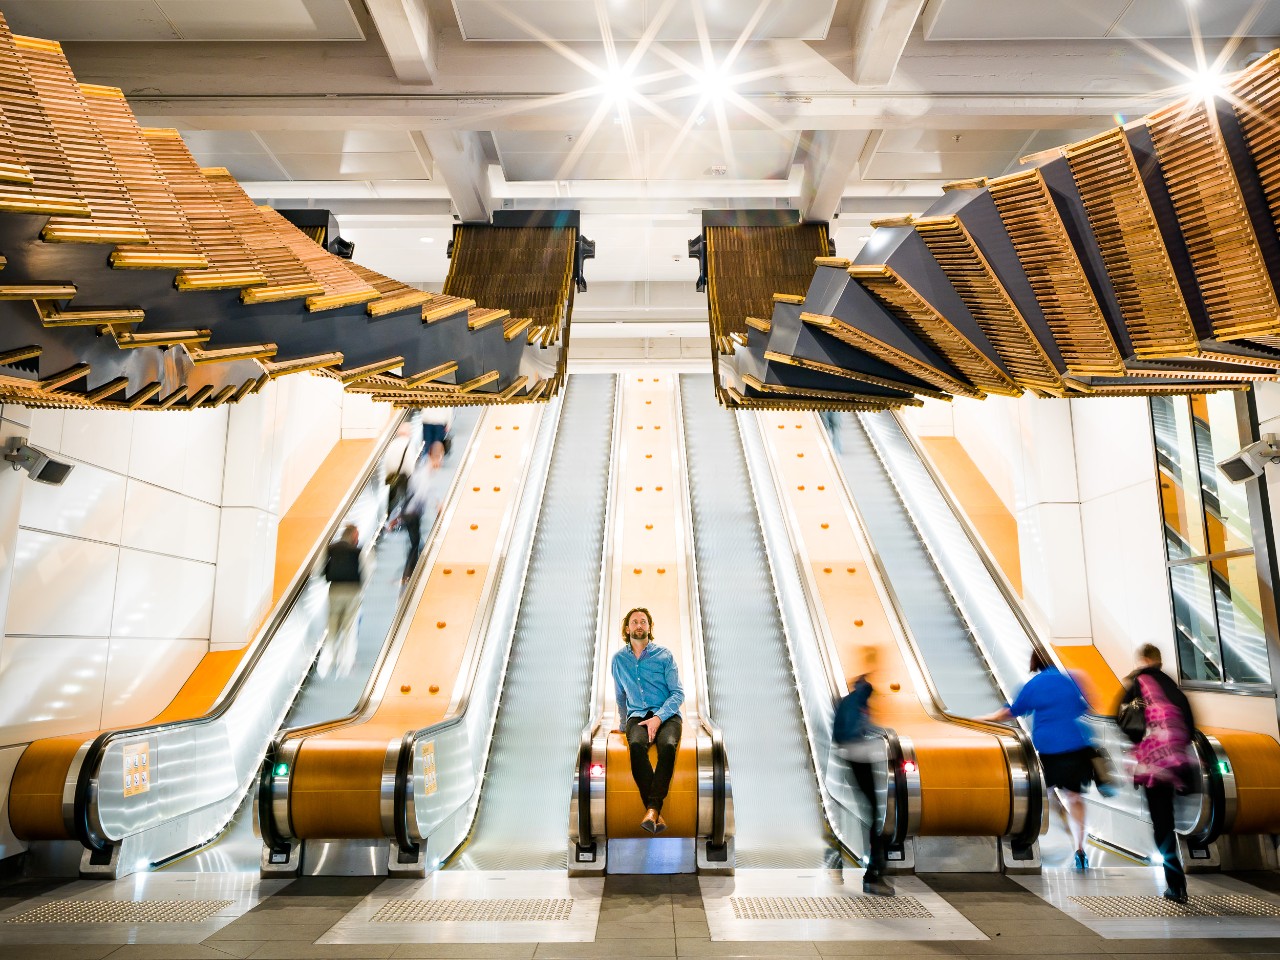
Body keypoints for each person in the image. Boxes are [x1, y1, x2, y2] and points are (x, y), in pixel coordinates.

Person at [979, 651, 1094, 871]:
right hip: (1075, 748)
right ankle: (1080, 849)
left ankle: (1039, 840)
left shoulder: (1035, 685)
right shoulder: (1068, 680)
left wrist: (981, 719)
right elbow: (1083, 707)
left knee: (1043, 795)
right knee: (1076, 798)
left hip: (1049, 750)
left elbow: (1009, 713)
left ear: (1034, 663)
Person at [1117, 643, 1196, 904]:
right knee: (1169, 822)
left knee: (1161, 825)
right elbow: (1191, 727)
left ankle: (1176, 886)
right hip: (1176, 765)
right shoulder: (1174, 688)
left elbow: (1122, 718)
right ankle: (1178, 884)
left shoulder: (1139, 683)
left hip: (1154, 766)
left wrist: (1141, 745)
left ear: (1145, 659)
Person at [611, 607, 684, 834]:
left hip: (667, 715)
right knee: (635, 746)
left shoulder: (664, 655)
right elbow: (620, 696)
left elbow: (678, 693)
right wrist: (623, 726)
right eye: (634, 622)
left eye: (643, 622)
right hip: (637, 716)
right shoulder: (619, 660)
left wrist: (659, 718)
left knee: (668, 746)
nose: (639, 625)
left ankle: (652, 809)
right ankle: (655, 812)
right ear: (627, 628)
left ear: (649, 627)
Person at [832, 647, 894, 897]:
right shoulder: (860, 702)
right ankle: (873, 875)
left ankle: (863, 867)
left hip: (850, 759)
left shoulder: (850, 700)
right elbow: (859, 732)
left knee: (873, 814)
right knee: (877, 816)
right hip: (859, 761)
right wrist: (884, 746)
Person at [320, 524, 365, 677]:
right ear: (352, 535)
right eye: (356, 535)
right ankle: (345, 664)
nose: (357, 538)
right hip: (353, 592)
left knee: (332, 626)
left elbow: (318, 570)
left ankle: (326, 663)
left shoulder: (331, 548)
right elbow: (366, 571)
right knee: (349, 628)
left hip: (334, 590)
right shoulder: (358, 551)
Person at [399, 440, 445, 584]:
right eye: (440, 457)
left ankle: (413, 572)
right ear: (436, 457)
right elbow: (420, 494)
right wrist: (435, 505)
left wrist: (437, 503)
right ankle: (408, 574)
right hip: (411, 512)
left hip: (412, 512)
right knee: (415, 543)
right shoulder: (424, 472)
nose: (441, 462)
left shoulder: (426, 470)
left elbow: (429, 490)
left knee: (415, 542)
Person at [382, 424, 416, 519]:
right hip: (404, 476)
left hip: (393, 475)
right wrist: (411, 475)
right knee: (406, 497)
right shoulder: (409, 444)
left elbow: (387, 459)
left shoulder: (393, 443)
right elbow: (409, 462)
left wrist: (388, 473)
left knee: (392, 497)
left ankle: (388, 517)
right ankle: (403, 518)